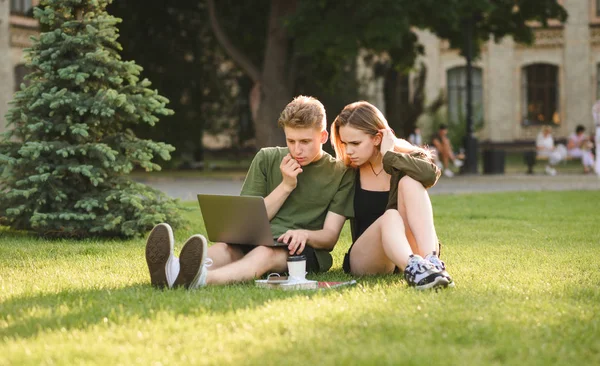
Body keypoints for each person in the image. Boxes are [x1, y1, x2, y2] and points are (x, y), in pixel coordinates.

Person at [145, 96, 355, 289]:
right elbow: (246, 223)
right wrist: (286, 186)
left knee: (264, 254)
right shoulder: (266, 158)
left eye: (305, 142)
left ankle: (199, 279)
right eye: (291, 141)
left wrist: (304, 234)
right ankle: (173, 272)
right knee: (226, 248)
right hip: (256, 238)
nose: (297, 150)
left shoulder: (341, 173)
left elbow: (329, 238)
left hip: (302, 251)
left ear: (323, 136)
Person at [330, 101, 452, 290]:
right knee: (391, 216)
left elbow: (430, 174)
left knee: (410, 181)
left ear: (377, 138)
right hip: (368, 258)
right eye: (345, 143)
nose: (348, 151)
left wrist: (391, 155)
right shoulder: (348, 172)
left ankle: (432, 262)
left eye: (355, 143)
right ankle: (416, 270)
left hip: (410, 252)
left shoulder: (401, 162)